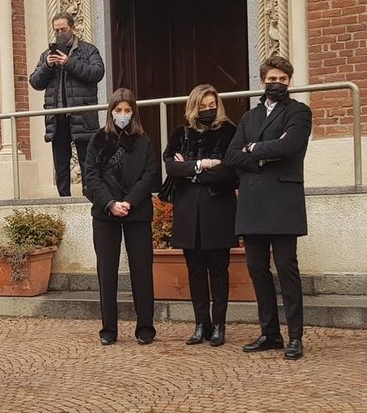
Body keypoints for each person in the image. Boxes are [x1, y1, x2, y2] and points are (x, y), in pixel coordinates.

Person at [224, 55, 312, 361]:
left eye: (282, 79)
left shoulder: (299, 112)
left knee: (287, 268)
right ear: (262, 81)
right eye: (272, 79)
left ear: (289, 81)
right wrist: (262, 155)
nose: (277, 84)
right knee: (256, 268)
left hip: (283, 200)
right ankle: (270, 333)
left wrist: (253, 149)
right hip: (252, 201)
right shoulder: (250, 117)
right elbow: (231, 155)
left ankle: (295, 336)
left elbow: (290, 147)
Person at [84, 88, 160, 345]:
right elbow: (91, 176)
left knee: (142, 270)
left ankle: (145, 327)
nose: (123, 115)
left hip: (137, 212)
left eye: (127, 110)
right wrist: (110, 203)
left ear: (134, 112)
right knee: (107, 272)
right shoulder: (98, 140)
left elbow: (149, 175)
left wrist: (129, 201)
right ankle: (109, 329)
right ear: (111, 111)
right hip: (105, 214)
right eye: (118, 110)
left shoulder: (144, 141)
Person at [163, 84, 238, 347]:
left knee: (218, 269)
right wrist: (203, 165)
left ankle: (219, 325)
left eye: (211, 105)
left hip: (218, 208)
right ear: (193, 107)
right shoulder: (180, 133)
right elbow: (171, 167)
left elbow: (230, 170)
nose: (207, 110)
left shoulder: (229, 132)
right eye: (203, 106)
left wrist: (191, 171)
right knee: (195, 270)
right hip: (188, 210)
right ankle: (200, 324)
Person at [29, 11, 106, 197]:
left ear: (72, 28)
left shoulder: (88, 50)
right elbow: (35, 82)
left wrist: (69, 63)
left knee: (87, 161)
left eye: (63, 29)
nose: (59, 34)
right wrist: (48, 66)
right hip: (58, 117)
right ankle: (63, 199)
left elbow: (97, 72)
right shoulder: (47, 55)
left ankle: (90, 197)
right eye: (56, 30)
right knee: (61, 163)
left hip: (82, 115)